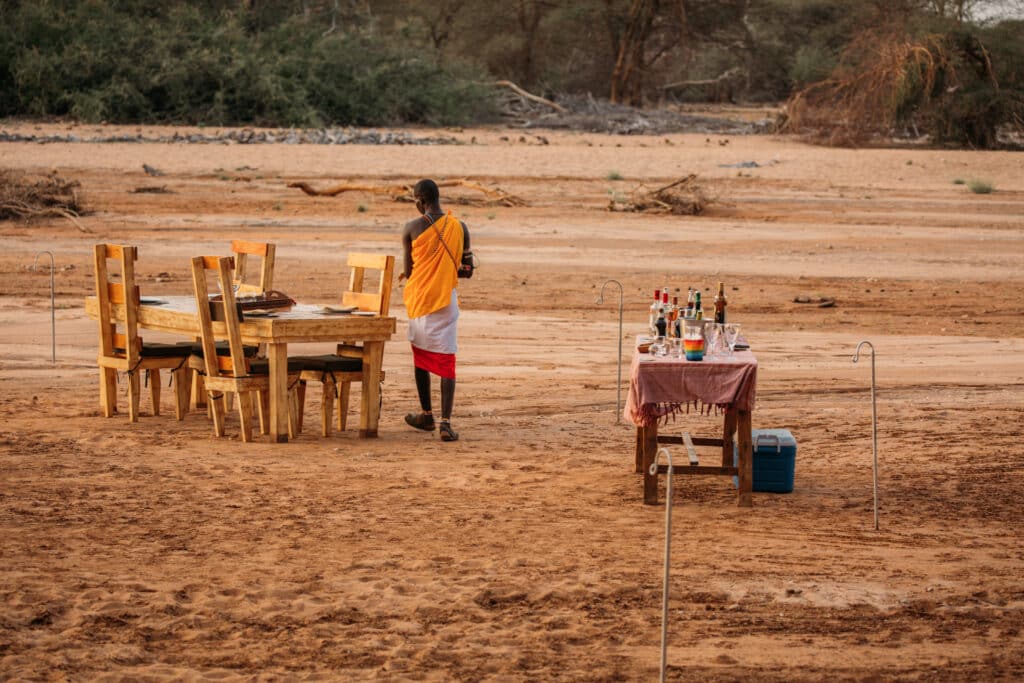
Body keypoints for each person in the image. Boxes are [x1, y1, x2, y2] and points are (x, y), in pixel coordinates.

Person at [399, 179, 470, 442]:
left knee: (421, 356)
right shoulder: (459, 227)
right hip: (445, 301)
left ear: (420, 200)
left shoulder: (411, 228)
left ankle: (426, 414)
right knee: (446, 359)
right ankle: (445, 423)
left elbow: (408, 272)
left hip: (420, 301)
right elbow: (468, 270)